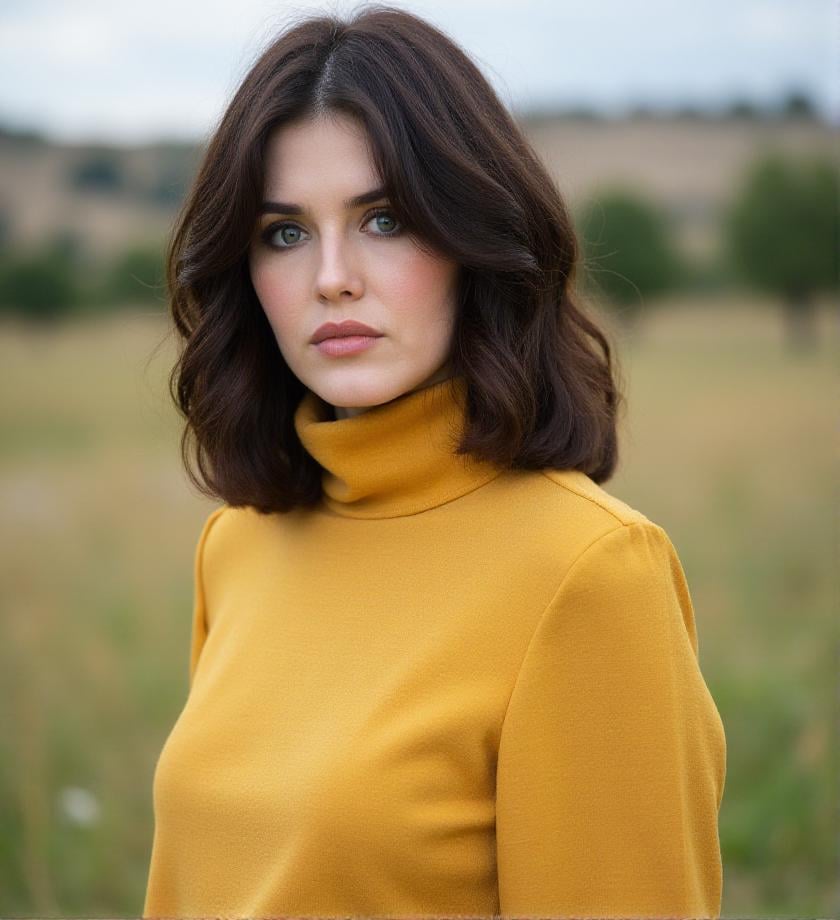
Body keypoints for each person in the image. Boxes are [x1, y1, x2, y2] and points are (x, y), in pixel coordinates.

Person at [142, 4, 727, 918]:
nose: (331, 275)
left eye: (384, 219)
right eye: (285, 232)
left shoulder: (591, 575)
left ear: (473, 239)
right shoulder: (236, 546)